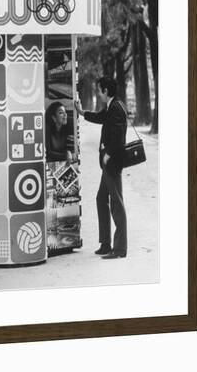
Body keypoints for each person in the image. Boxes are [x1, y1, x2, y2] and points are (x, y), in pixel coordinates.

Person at [75, 77, 128, 259]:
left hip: (112, 162)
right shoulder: (112, 107)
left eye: (99, 90)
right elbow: (100, 117)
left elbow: (119, 136)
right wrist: (82, 112)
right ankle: (106, 243)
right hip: (109, 162)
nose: (98, 93)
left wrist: (108, 153)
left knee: (116, 203)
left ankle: (119, 249)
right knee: (101, 199)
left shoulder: (117, 108)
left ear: (105, 91)